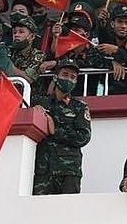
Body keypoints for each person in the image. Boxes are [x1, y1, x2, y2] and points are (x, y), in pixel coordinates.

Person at [32, 58, 92, 195]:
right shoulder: (40, 101)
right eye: (65, 75)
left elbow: (84, 137)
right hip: (43, 170)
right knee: (38, 212)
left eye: (73, 77)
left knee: (68, 213)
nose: (69, 80)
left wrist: (56, 130)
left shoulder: (79, 107)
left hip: (69, 172)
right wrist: (33, 111)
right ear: (55, 77)